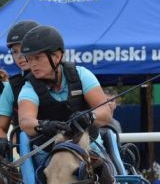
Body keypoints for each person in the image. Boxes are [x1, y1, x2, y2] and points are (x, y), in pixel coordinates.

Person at [16, 24, 113, 172]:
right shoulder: (29, 88)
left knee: (110, 174)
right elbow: (25, 122)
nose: (32, 64)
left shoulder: (82, 75)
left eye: (38, 58)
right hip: (50, 151)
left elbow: (106, 113)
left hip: (88, 146)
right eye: (29, 59)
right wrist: (45, 125)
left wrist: (89, 116)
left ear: (57, 56)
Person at [0, 19, 40, 161]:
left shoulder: (63, 77)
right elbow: (1, 129)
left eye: (24, 49)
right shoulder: (12, 87)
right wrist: (1, 139)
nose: (19, 56)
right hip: (28, 154)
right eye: (14, 51)